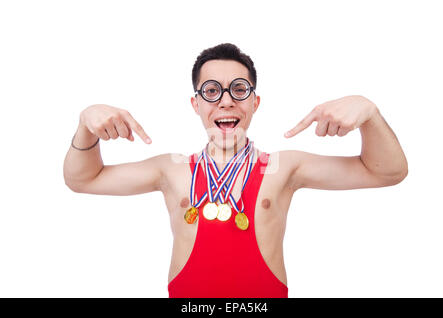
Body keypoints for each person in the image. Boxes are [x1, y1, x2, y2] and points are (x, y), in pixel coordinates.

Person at [63, 43, 408, 298]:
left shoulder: (284, 168)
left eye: (239, 90)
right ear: (196, 104)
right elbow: (83, 179)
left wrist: (370, 114)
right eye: (212, 91)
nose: (226, 100)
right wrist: (85, 125)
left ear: (254, 102)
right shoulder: (170, 170)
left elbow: (387, 172)